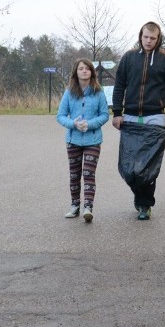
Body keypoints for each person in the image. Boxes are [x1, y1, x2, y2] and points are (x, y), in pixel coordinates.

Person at [111, 21, 165, 220]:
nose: (149, 41)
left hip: (155, 116)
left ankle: (144, 205)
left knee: (149, 164)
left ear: (158, 39)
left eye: (153, 38)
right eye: (146, 37)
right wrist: (117, 112)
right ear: (140, 36)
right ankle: (140, 195)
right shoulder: (128, 57)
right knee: (129, 165)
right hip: (130, 116)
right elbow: (119, 86)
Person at [56, 58, 110, 222]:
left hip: (93, 140)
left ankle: (88, 207)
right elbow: (60, 116)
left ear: (92, 72)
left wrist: (90, 124)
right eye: (81, 68)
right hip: (73, 140)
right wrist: (74, 124)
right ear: (76, 72)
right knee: (74, 174)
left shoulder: (98, 92)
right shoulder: (69, 92)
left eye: (87, 68)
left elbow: (105, 115)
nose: (84, 71)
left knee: (88, 173)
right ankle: (74, 206)